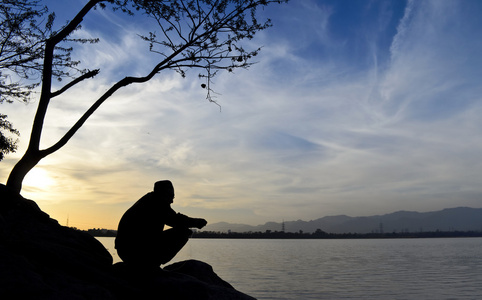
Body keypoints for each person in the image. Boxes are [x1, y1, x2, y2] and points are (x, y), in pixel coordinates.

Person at [115, 180, 207, 269]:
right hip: (134, 251)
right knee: (183, 232)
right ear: (163, 194)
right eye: (171, 197)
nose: (172, 201)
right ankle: (151, 264)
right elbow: (175, 220)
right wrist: (196, 222)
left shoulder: (149, 200)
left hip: (127, 250)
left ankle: (149, 264)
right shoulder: (156, 203)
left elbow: (173, 218)